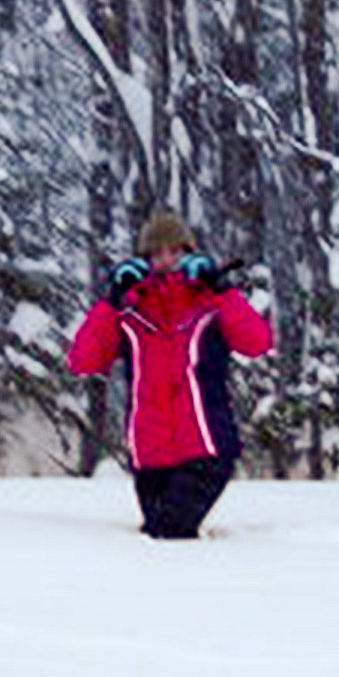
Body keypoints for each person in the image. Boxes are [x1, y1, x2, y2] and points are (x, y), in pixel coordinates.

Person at [67, 209, 273, 539]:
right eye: (157, 253)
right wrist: (110, 302)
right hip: (150, 458)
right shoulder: (130, 313)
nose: (166, 260)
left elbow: (257, 342)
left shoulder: (211, 304)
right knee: (156, 542)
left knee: (170, 534)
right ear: (144, 260)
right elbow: (83, 360)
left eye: (175, 251)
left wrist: (223, 291)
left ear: (190, 253)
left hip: (206, 450)